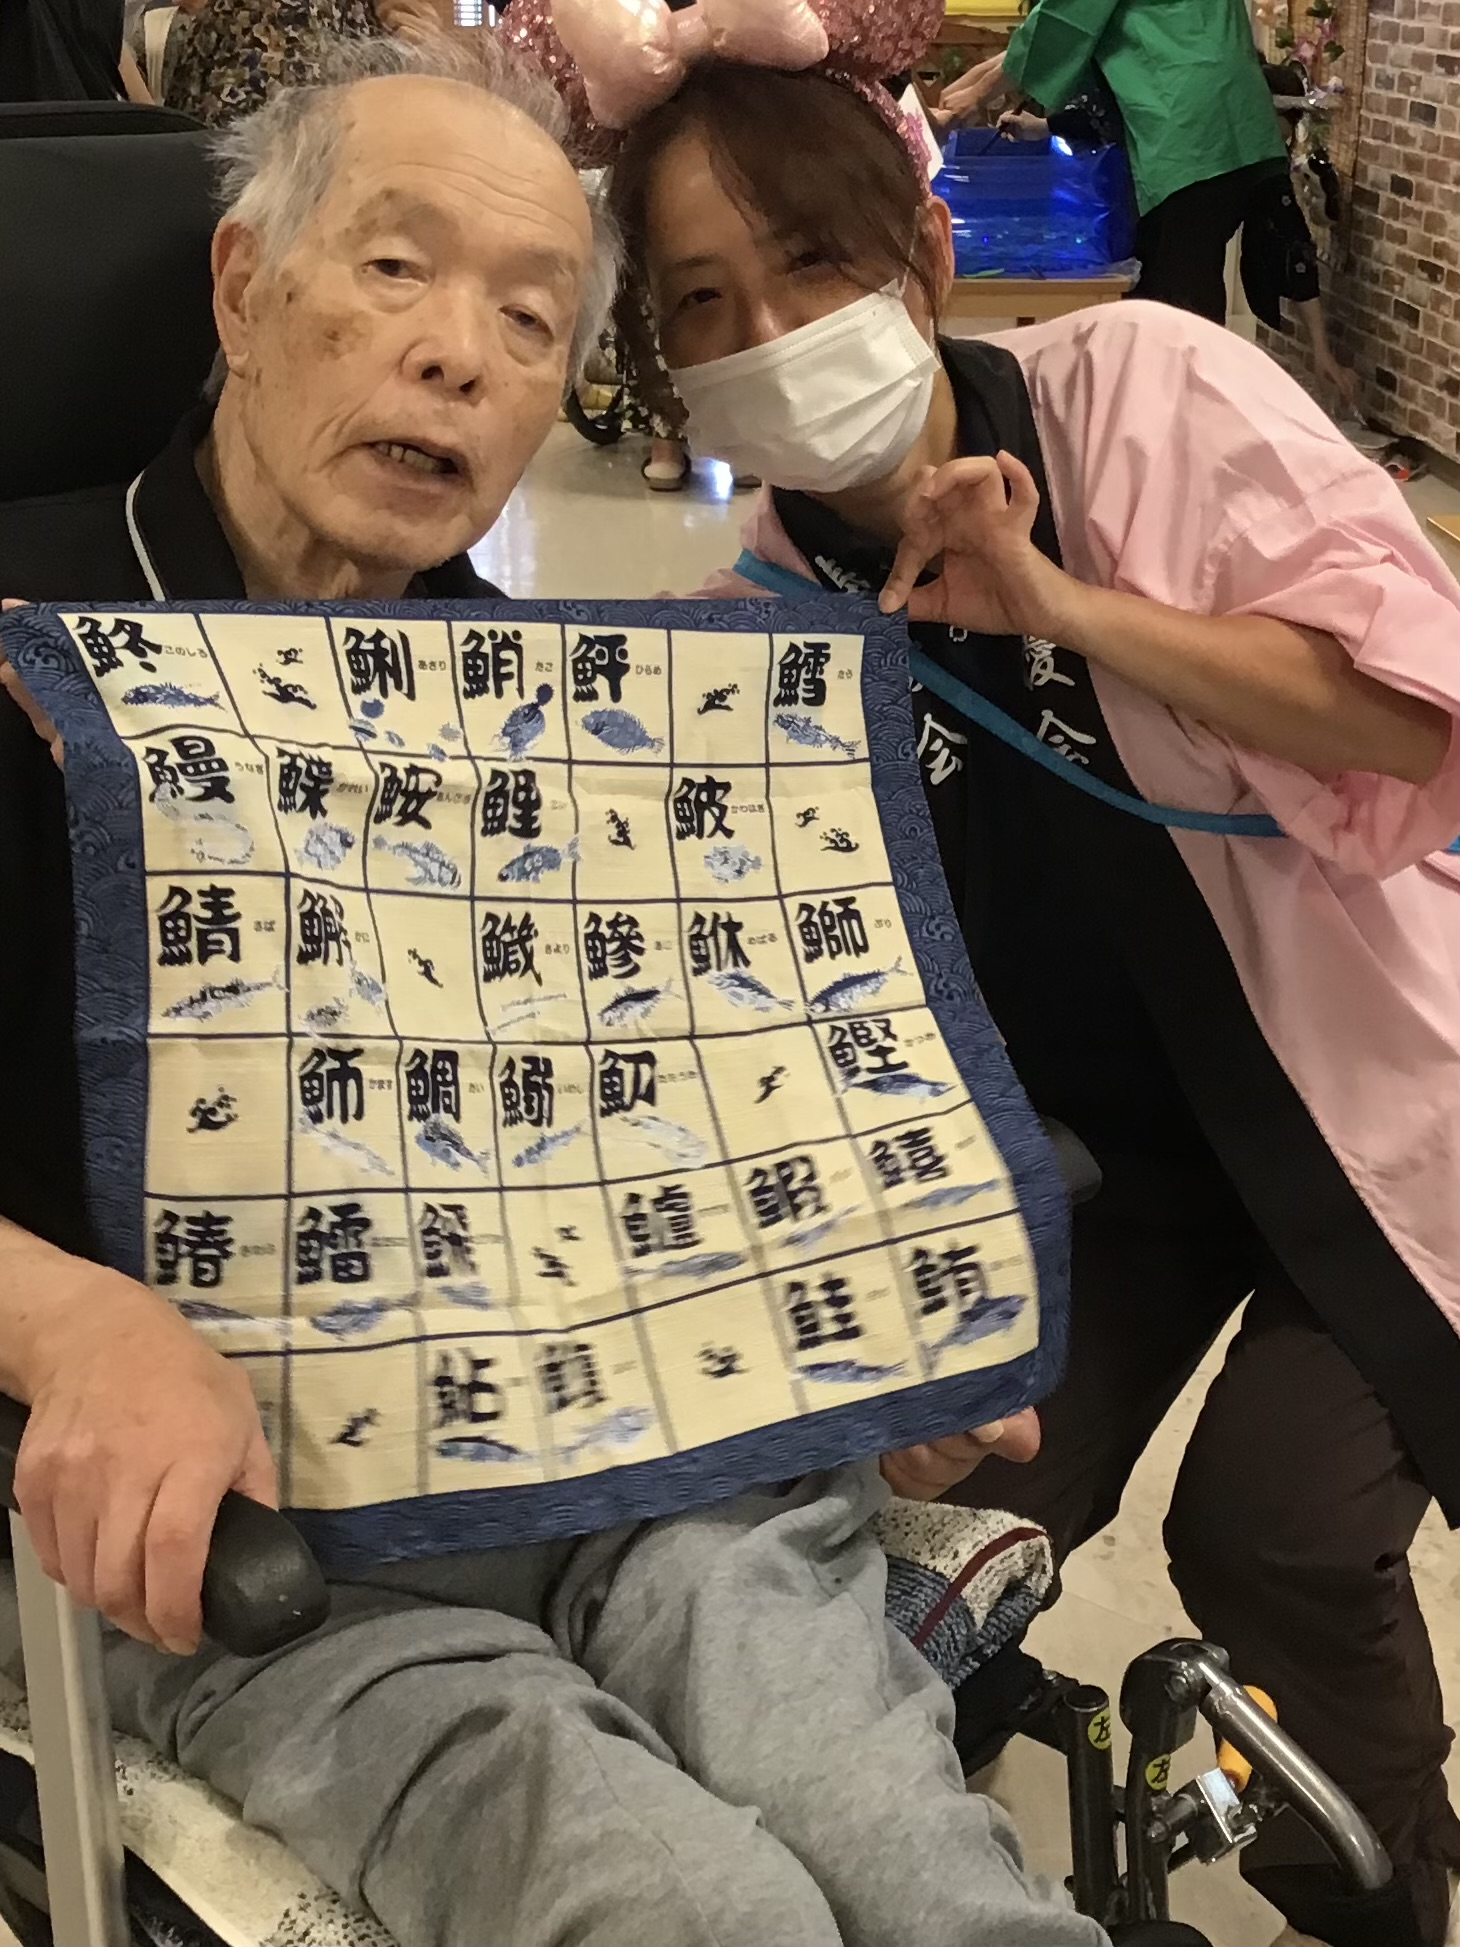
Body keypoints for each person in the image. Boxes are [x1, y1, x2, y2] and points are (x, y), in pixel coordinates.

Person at [0, 33, 1097, 1947]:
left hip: (629, 1457)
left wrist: (865, 1338)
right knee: (695, 1912)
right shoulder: (31, 641)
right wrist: (68, 1318)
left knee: (934, 1883)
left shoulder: (559, 716)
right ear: (244, 290)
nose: (459, 354)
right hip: (250, 1533)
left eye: (530, 318)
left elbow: (674, 1133)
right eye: (395, 269)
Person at [591, 36, 1460, 1947]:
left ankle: (1377, 1892)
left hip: (1357, 1087)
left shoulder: (1146, 390)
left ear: (924, 251)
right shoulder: (755, 626)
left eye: (812, 262)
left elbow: (1416, 710)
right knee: (927, 1537)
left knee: (1279, 1529)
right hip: (1081, 1163)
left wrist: (1062, 606)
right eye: (704, 303)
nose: (771, 334)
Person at [940, 0, 1290, 324]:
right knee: (1185, 285)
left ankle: (1188, 373)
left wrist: (976, 95)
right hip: (1235, 120)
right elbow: (1053, 28)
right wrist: (975, 85)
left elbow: (1060, 23)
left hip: (1187, 128)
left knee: (1175, 307)